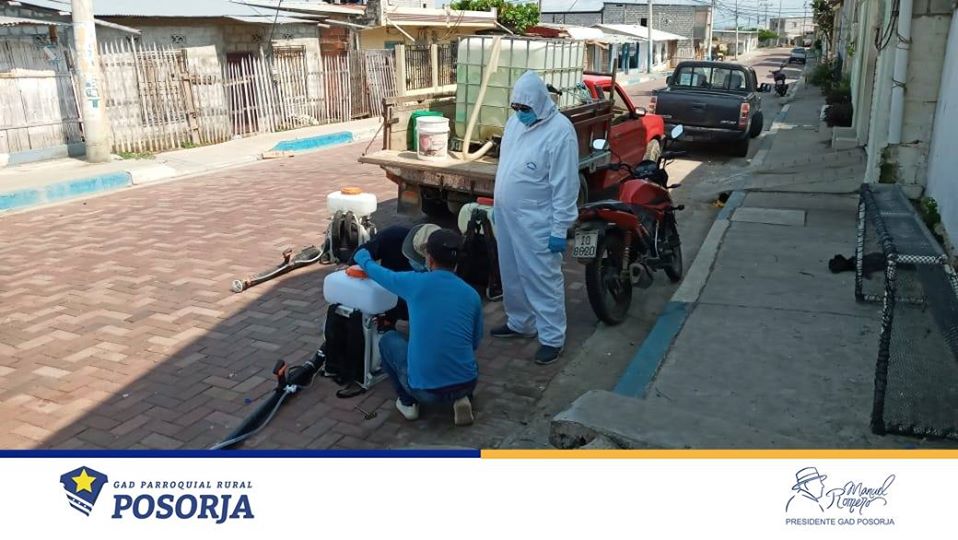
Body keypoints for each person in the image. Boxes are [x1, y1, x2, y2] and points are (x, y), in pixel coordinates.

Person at [490, 70, 579, 366]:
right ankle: (520, 322)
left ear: (540, 103)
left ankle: (552, 338)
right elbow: (507, 165)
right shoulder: (514, 124)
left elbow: (565, 185)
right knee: (511, 272)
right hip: (508, 217)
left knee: (542, 278)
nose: (519, 112)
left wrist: (560, 227)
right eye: (515, 106)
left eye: (525, 108)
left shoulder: (560, 132)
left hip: (538, 220)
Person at [353, 227, 482, 425]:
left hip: (425, 391)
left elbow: (380, 274)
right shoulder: (471, 294)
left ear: (428, 258)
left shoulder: (414, 283)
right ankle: (461, 398)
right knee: (462, 354)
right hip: (467, 383)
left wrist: (362, 257)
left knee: (388, 340)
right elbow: (474, 342)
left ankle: (408, 402)